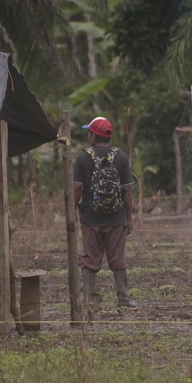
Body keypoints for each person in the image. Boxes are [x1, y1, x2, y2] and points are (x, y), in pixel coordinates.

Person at [73, 116, 137, 311]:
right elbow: (127, 191)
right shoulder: (121, 157)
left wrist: (71, 213)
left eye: (89, 133)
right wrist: (129, 218)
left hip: (91, 218)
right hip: (117, 217)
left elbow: (77, 188)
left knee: (90, 259)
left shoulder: (84, 157)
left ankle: (87, 300)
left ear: (93, 135)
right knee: (118, 259)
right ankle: (124, 297)